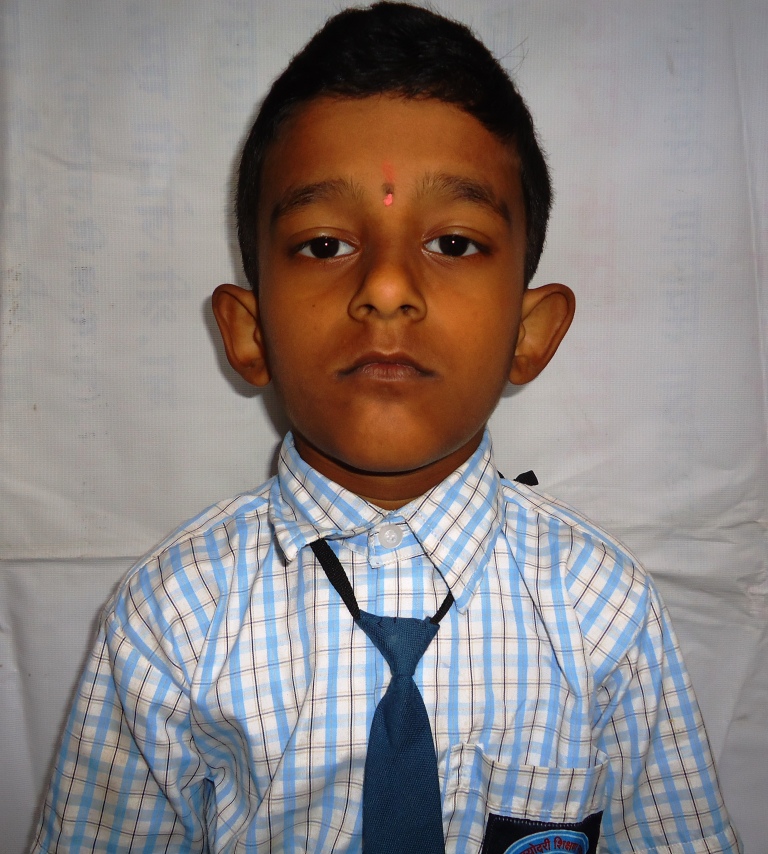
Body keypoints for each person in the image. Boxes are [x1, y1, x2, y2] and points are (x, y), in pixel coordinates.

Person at [30, 3, 741, 852]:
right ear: (249, 333)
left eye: (454, 243)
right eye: (326, 246)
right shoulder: (171, 622)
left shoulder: (604, 612)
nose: (388, 288)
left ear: (531, 332)